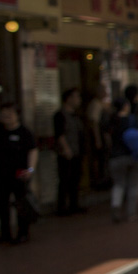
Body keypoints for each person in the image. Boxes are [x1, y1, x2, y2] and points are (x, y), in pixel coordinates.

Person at [0, 102, 38, 245]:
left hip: (19, 175)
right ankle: (5, 234)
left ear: (17, 115)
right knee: (2, 205)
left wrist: (30, 169)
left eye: (10, 113)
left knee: (21, 204)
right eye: (3, 113)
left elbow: (33, 151)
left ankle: (23, 233)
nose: (6, 116)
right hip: (1, 175)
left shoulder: (24, 132)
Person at [106, 98, 138, 222]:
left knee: (118, 184)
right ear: (125, 106)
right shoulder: (132, 120)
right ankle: (131, 213)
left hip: (116, 157)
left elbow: (107, 138)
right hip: (134, 156)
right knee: (134, 185)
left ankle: (116, 206)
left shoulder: (111, 120)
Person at [54, 87, 85, 215]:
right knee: (65, 179)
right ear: (68, 99)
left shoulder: (76, 115)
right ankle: (62, 207)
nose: (79, 100)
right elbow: (59, 134)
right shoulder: (60, 115)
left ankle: (74, 204)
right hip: (66, 153)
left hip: (77, 152)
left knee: (75, 179)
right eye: (76, 97)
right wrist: (66, 149)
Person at [86, 85, 111, 189]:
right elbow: (94, 123)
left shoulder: (102, 104)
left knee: (104, 159)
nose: (106, 93)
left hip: (103, 136)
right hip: (98, 136)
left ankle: (103, 180)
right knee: (99, 159)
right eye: (104, 91)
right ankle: (99, 182)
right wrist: (98, 139)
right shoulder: (95, 104)